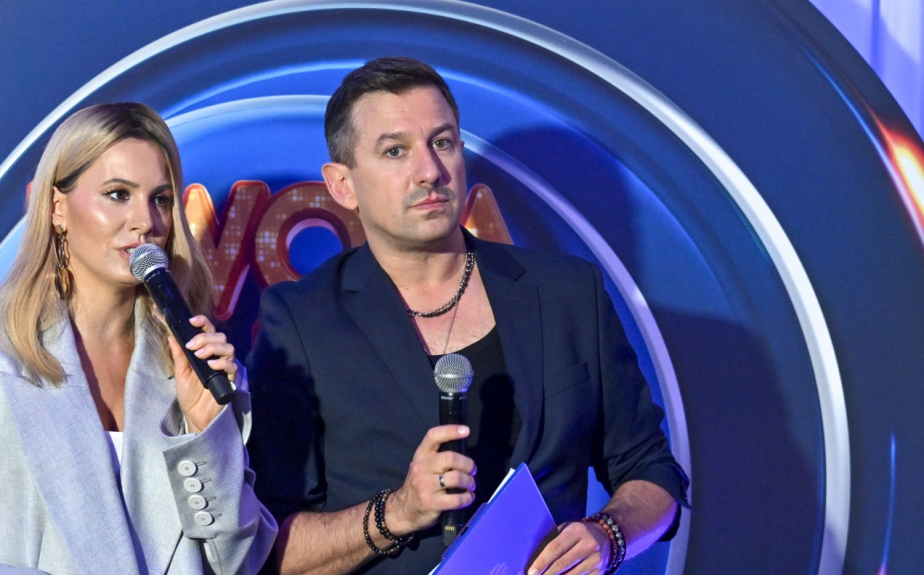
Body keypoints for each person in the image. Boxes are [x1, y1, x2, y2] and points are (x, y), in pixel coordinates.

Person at [246, 57, 688, 574]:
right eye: (395, 151)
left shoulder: (567, 293)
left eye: (442, 142)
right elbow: (268, 550)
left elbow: (652, 471)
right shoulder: (301, 322)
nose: (429, 171)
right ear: (342, 184)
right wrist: (398, 512)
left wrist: (609, 535)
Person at [0, 103, 277, 574]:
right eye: (118, 194)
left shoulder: (199, 370)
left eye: (161, 199)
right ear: (57, 208)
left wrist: (207, 434)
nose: (146, 221)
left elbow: (239, 562)